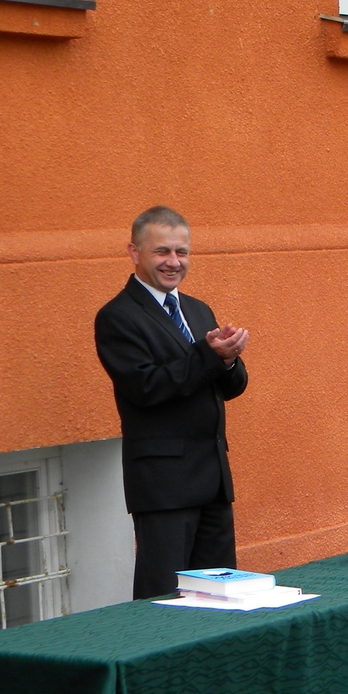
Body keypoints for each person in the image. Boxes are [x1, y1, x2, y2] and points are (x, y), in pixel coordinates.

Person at [95, 207, 250, 599]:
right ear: (134, 252)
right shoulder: (117, 317)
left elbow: (229, 387)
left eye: (182, 252)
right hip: (163, 486)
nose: (173, 262)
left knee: (219, 597)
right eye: (162, 251)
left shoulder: (198, 309)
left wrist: (229, 361)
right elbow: (145, 388)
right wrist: (209, 356)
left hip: (213, 481)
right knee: (163, 599)